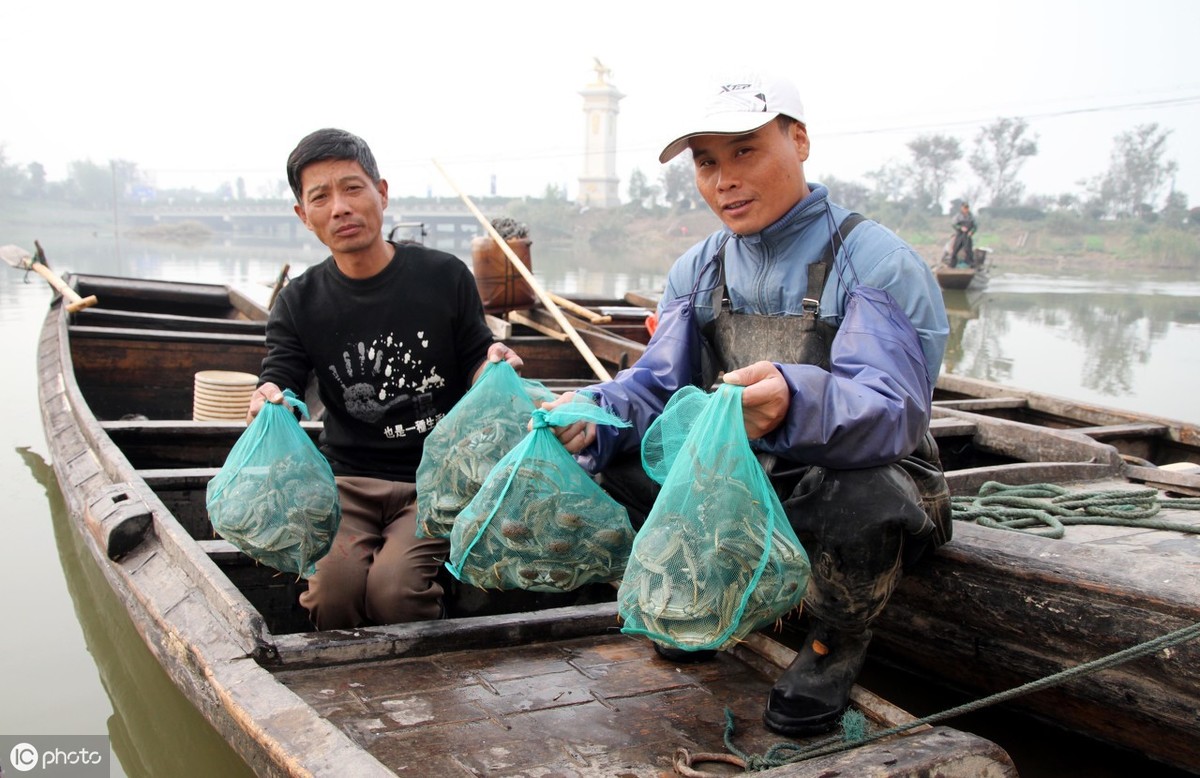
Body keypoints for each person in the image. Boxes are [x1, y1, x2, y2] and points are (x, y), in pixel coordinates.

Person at [544, 73, 952, 737]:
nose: (724, 180)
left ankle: (831, 646)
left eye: (745, 152)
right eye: (707, 163)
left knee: (865, 495)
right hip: (751, 478)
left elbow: (889, 410)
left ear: (800, 141)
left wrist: (796, 400)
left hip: (864, 476)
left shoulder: (873, 262)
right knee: (621, 458)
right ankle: (708, 591)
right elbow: (657, 388)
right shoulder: (698, 270)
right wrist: (598, 410)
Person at [248, 128, 521, 630]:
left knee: (395, 592)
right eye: (321, 197)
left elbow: (475, 358)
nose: (340, 208)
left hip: (436, 479)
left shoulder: (444, 276)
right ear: (303, 216)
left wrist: (492, 364)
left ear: (382, 193)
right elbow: (282, 377)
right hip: (346, 482)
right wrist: (272, 397)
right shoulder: (298, 301)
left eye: (353, 188)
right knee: (332, 594)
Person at [948, 202, 977, 267]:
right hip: (960, 235)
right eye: (964, 208)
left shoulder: (971, 217)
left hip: (968, 235)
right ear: (962, 208)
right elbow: (954, 225)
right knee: (955, 250)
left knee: (968, 250)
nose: (966, 209)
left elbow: (975, 227)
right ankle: (952, 265)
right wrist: (961, 228)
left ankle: (970, 264)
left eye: (967, 208)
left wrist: (971, 232)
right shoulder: (958, 216)